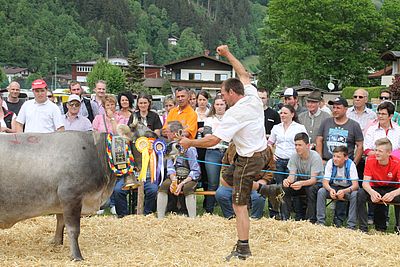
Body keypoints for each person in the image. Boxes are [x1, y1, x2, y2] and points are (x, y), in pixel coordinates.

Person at [180, 45, 270, 261]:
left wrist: (189, 142)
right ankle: (266, 189)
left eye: (223, 94)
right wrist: (228, 54)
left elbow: (214, 140)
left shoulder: (235, 113)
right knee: (225, 181)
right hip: (255, 153)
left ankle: (243, 248)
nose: (222, 98)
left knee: (238, 204)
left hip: (250, 159)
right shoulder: (252, 95)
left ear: (231, 93)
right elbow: (243, 73)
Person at [316, 96, 363, 226]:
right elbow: (319, 140)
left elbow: (360, 145)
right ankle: (320, 222)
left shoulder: (354, 125)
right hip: (328, 163)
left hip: (346, 165)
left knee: (353, 194)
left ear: (346, 109)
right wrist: (321, 159)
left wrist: (354, 162)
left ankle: (349, 224)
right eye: (333, 107)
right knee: (321, 191)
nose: (335, 110)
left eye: (338, 107)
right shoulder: (326, 122)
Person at [216, 143, 277, 219]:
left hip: (255, 182)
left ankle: (255, 218)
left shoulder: (265, 148)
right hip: (234, 182)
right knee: (221, 193)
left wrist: (263, 181)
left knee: (258, 197)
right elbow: (225, 163)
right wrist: (227, 178)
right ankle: (231, 217)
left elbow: (271, 168)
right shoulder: (233, 146)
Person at [268, 105, 307, 217]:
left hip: (293, 162)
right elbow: (270, 143)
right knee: (280, 188)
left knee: (293, 188)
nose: (282, 115)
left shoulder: (299, 127)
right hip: (279, 161)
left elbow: (305, 144)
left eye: (285, 113)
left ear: (292, 114)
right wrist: (272, 154)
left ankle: (298, 215)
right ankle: (280, 215)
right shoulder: (276, 127)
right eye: (281, 113)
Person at [157, 120, 201, 219]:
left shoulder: (190, 148)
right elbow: (170, 167)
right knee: (164, 186)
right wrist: (174, 180)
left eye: (167, 131)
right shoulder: (170, 147)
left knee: (187, 188)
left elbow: (195, 170)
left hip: (189, 177)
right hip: (175, 176)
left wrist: (181, 183)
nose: (165, 133)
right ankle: (160, 218)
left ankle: (192, 218)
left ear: (174, 133)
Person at [357, 138, 400, 232]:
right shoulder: (370, 160)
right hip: (375, 187)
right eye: (375, 150)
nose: (376, 153)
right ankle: (363, 228)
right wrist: (371, 192)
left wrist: (393, 193)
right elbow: (365, 183)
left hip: (392, 188)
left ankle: (398, 228)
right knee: (360, 193)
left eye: (380, 151)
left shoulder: (397, 163)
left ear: (389, 153)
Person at [281, 132, 323, 221]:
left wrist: (301, 183)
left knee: (310, 189)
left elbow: (313, 180)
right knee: (285, 188)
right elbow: (292, 176)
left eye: (300, 145)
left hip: (316, 184)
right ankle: (285, 219)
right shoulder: (294, 156)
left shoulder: (315, 157)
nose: (297, 147)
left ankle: (310, 220)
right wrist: (287, 180)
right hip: (301, 182)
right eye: (295, 145)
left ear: (308, 145)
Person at [316, 146, 358, 229]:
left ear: (346, 157)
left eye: (338, 157)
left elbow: (355, 185)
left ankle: (351, 226)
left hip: (347, 188)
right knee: (321, 191)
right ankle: (320, 222)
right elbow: (325, 182)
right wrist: (330, 190)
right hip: (333, 187)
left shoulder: (351, 164)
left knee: (355, 194)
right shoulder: (330, 163)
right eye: (334, 156)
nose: (335, 159)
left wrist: (344, 191)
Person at [203, 94, 228, 213]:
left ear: (226, 105)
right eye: (217, 104)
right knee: (212, 183)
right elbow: (207, 136)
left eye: (222, 104)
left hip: (229, 152)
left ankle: (230, 210)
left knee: (229, 182)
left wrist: (217, 135)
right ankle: (209, 211)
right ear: (213, 105)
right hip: (212, 152)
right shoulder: (209, 119)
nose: (219, 107)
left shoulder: (231, 118)